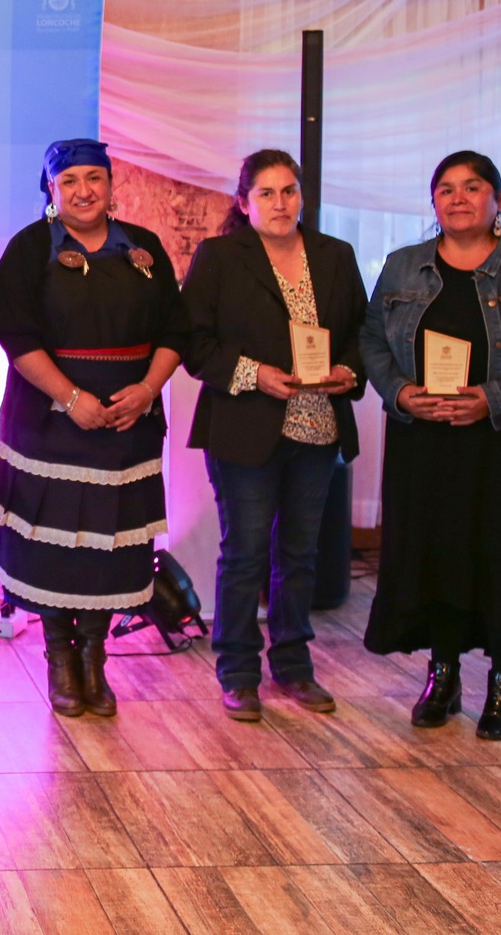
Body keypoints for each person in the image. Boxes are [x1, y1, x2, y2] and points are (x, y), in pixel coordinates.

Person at [360, 151, 501, 741]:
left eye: (472, 187)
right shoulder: (403, 266)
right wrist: (401, 393)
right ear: (433, 203)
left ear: (498, 200)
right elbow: (370, 339)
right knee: (435, 551)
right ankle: (444, 672)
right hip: (425, 438)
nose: (458, 198)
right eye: (445, 190)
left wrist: (494, 397)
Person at [0, 139, 187, 719]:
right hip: (49, 423)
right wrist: (70, 399)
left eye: (95, 178)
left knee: (110, 549)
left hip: (128, 423)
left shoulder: (144, 249)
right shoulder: (28, 249)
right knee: (52, 549)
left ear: (112, 184)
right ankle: (59, 658)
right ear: (51, 189)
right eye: (69, 181)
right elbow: (14, 334)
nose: (84, 191)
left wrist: (146, 391)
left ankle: (95, 657)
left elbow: (178, 329)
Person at [181, 149, 367, 721]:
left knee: (301, 554)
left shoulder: (335, 256)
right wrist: (254, 374)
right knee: (245, 554)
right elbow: (194, 343)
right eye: (266, 193)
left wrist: (349, 371)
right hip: (245, 428)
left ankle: (293, 665)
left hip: (318, 424)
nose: (280, 203)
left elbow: (363, 333)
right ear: (244, 202)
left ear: (302, 197)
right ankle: (237, 671)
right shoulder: (219, 257)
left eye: (289, 191)